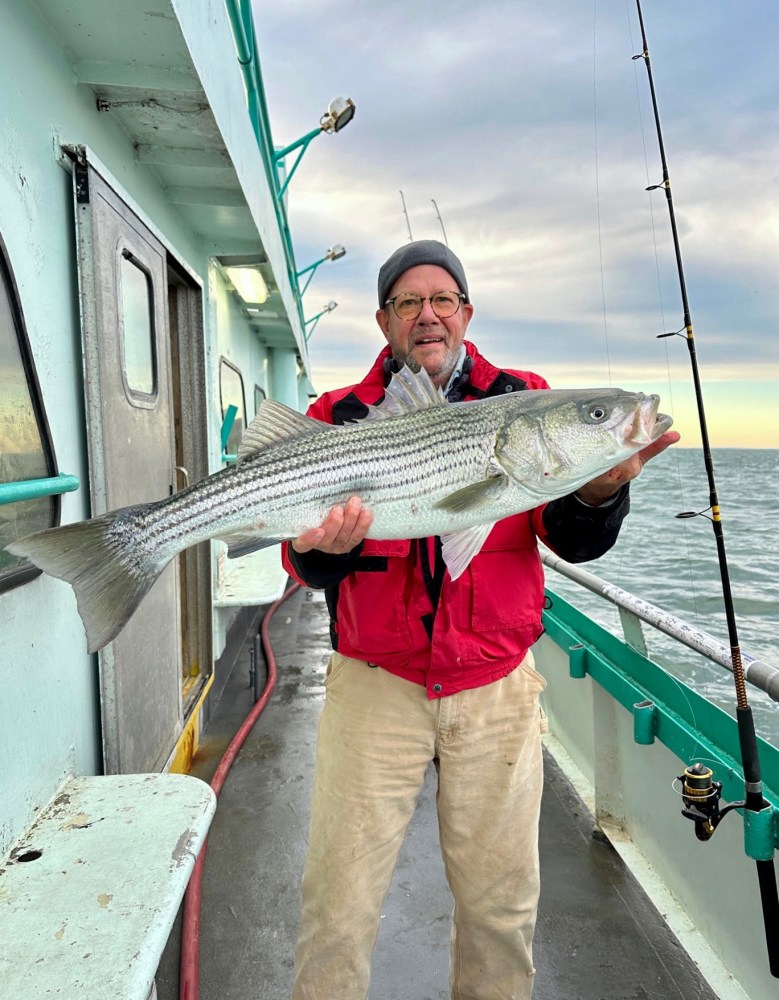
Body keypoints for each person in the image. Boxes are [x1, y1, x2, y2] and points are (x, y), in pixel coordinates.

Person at [281, 240, 679, 1000]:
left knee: (500, 910)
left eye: (442, 299)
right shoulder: (337, 416)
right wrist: (320, 551)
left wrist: (597, 492)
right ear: (383, 321)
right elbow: (300, 568)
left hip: (495, 691)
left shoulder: (524, 398)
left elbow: (572, 541)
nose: (426, 315)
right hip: (374, 689)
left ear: (465, 312)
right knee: (337, 905)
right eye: (406, 302)